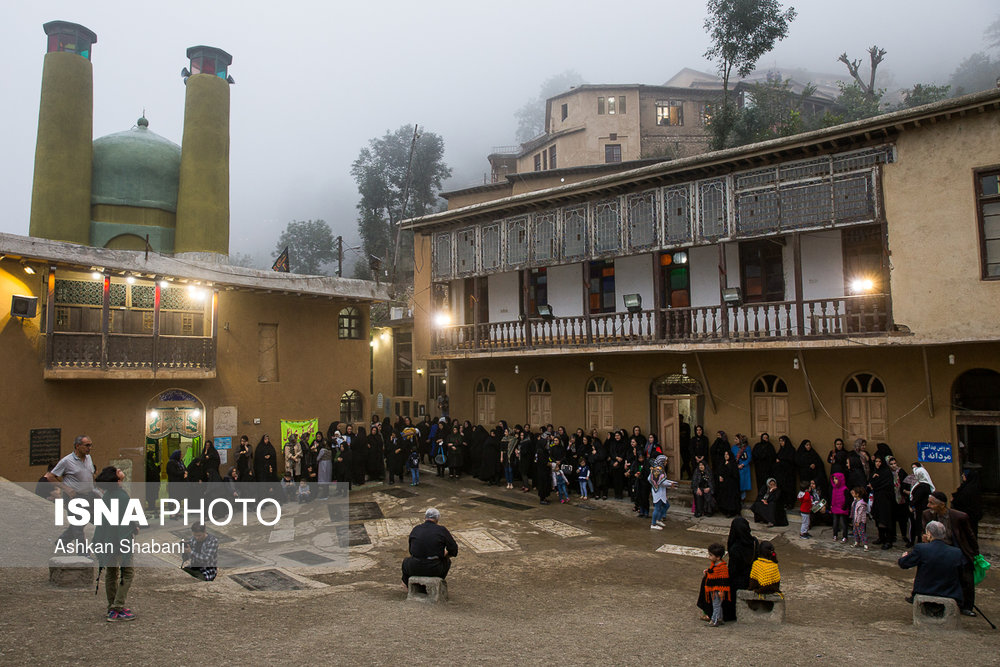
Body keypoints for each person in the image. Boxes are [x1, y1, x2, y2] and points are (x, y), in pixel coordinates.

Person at [922, 490, 980, 617]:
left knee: (966, 576)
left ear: (942, 505)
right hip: (938, 549)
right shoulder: (927, 515)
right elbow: (924, 532)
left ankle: (966, 606)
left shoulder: (959, 517)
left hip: (957, 550)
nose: (928, 506)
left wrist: (975, 553)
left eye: (931, 503)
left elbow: (970, 536)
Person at [92, 466, 139, 622]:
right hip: (121, 540)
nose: (120, 470)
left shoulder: (107, 496)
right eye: (118, 470)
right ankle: (117, 607)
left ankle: (111, 606)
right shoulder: (122, 496)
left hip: (107, 540)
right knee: (127, 573)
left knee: (111, 574)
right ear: (116, 479)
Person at [898, 520, 965, 606]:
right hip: (950, 592)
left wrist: (904, 557)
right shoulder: (956, 552)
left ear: (929, 534)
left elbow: (903, 564)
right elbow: (961, 574)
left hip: (925, 591)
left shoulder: (921, 549)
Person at [45, 435, 96, 546]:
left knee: (83, 521)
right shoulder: (66, 461)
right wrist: (66, 488)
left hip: (88, 495)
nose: (90, 448)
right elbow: (50, 476)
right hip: (74, 497)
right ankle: (83, 553)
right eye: (87, 445)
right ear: (78, 446)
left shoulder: (88, 458)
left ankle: (62, 541)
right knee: (78, 525)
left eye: (91, 445)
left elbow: (90, 474)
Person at [401, 508, 459, 586]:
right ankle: (438, 582)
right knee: (447, 562)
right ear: (437, 519)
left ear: (425, 517)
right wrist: (444, 555)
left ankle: (406, 584)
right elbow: (454, 550)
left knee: (406, 562)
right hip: (434, 568)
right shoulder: (442, 530)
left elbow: (411, 551)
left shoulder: (416, 529)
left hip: (415, 567)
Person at [699, 543, 734, 627]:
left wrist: (721, 591)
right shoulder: (715, 565)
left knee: (716, 605)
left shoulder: (722, 568)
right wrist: (708, 571)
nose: (709, 557)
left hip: (717, 590)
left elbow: (723, 581)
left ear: (718, 557)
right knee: (717, 605)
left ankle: (714, 620)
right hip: (713, 589)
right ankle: (719, 618)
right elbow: (713, 572)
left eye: (711, 555)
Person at [868, 455, 895, 549]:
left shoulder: (886, 472)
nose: (877, 463)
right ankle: (881, 537)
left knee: (886, 520)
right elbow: (871, 483)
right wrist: (874, 479)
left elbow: (885, 485)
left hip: (886, 500)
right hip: (878, 499)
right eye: (876, 462)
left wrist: (875, 483)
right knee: (878, 519)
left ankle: (888, 540)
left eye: (879, 461)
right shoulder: (875, 472)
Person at [726, 517, 759, 591]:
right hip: (751, 579)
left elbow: (732, 570)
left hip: (737, 583)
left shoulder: (735, 548)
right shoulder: (754, 542)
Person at [951, 467, 983, 537]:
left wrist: (954, 499)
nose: (962, 476)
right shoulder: (972, 488)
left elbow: (959, 501)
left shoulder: (968, 490)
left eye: (964, 475)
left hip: (967, 518)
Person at [715, 450, 741, 518]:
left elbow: (734, 474)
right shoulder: (722, 463)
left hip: (732, 484)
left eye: (727, 454)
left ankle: (732, 511)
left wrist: (728, 465)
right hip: (724, 484)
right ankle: (725, 510)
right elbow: (719, 471)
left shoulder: (733, 463)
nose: (726, 456)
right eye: (725, 455)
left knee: (731, 497)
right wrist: (720, 476)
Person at [774, 435, 797, 509]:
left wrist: (781, 461)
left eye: (782, 441)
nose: (781, 443)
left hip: (789, 474)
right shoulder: (781, 450)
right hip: (781, 474)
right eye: (780, 441)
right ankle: (785, 503)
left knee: (789, 489)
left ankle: (790, 503)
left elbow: (791, 461)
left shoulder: (791, 450)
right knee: (783, 489)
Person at [649, 464, 673, 530]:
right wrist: (670, 484)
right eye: (665, 461)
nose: (666, 462)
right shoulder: (657, 470)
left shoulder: (660, 469)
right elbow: (661, 482)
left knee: (666, 505)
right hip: (658, 492)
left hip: (661, 492)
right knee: (657, 507)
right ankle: (653, 524)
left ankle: (658, 520)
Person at [830, 472, 850, 543]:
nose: (835, 480)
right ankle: (835, 535)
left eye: (836, 479)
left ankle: (845, 536)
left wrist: (845, 507)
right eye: (834, 479)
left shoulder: (845, 489)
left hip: (842, 508)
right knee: (835, 522)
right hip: (835, 508)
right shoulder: (834, 488)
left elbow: (847, 499)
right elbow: (833, 497)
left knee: (843, 523)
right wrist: (832, 505)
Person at [732, 435, 752, 501]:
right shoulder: (733, 448)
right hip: (736, 467)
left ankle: (742, 499)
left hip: (744, 468)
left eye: (736, 439)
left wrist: (743, 464)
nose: (735, 440)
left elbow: (749, 458)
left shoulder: (747, 447)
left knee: (743, 485)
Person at [850, 486, 869, 551]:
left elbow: (860, 514)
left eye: (854, 493)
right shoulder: (855, 501)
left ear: (857, 494)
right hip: (855, 519)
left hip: (860, 521)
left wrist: (858, 521)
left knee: (861, 532)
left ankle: (865, 544)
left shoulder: (861, 504)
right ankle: (857, 542)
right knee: (855, 531)